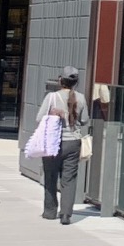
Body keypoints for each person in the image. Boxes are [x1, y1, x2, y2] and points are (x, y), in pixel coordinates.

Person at [33, 68, 90, 224]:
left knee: (50, 177)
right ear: (76, 82)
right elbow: (85, 120)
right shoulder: (81, 98)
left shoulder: (51, 97)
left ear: (60, 80)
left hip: (52, 143)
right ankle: (66, 215)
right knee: (69, 179)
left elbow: (39, 118)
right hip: (73, 143)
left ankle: (50, 211)